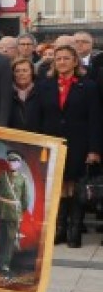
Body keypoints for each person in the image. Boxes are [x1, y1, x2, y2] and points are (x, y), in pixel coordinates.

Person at [32, 44, 102, 247]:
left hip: (79, 144)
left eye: (66, 58)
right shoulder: (44, 85)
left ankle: (74, 231)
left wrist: (94, 150)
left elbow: (95, 119)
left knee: (75, 187)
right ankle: (59, 229)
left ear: (75, 62)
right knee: (56, 187)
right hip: (51, 142)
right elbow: (38, 116)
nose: (62, 62)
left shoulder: (88, 86)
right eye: (58, 58)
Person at [0, 152, 33, 279]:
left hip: (13, 212)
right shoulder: (3, 176)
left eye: (15, 161)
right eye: (10, 161)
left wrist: (19, 211)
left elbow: (25, 200)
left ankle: (5, 265)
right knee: (0, 237)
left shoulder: (23, 179)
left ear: (19, 163)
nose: (12, 164)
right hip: (1, 210)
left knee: (10, 240)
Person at [9, 57, 37, 132]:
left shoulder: (41, 92)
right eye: (17, 71)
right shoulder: (7, 93)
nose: (21, 74)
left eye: (25, 71)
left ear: (32, 72)